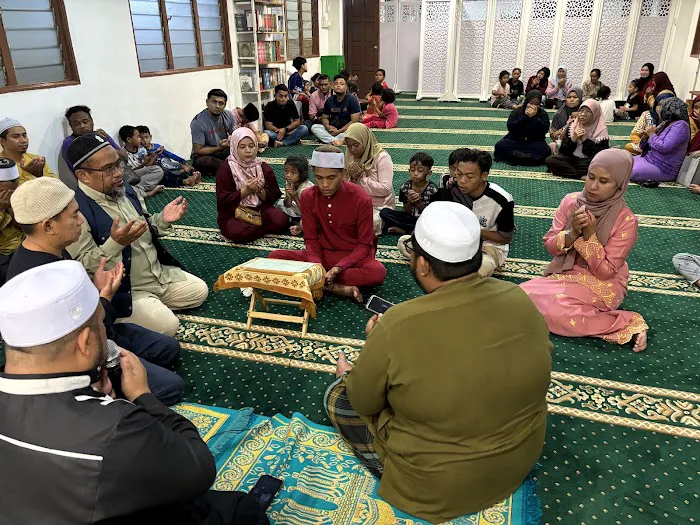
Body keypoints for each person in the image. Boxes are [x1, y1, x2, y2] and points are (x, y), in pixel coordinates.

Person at [325, 202, 552, 523]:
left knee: (338, 395)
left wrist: (362, 363)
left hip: (437, 488)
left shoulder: (397, 324)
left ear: (422, 264)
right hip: (517, 460)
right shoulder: (518, 297)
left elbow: (364, 402)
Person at [0, 261, 266, 525]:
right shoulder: (114, 428)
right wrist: (143, 396)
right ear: (85, 342)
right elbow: (199, 468)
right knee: (240, 510)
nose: (106, 332)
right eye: (102, 324)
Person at [7, 177, 184, 405]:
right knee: (172, 388)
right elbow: (84, 340)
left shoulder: (51, 250)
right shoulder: (40, 277)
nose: (81, 221)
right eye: (74, 216)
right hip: (82, 358)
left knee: (168, 349)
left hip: (99, 331)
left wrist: (98, 292)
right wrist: (104, 296)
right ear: (48, 226)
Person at [66, 133, 209, 337]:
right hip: (127, 290)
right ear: (83, 175)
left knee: (200, 291)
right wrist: (115, 243)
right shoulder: (76, 211)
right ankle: (123, 314)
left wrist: (162, 220)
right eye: (108, 168)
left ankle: (152, 306)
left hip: (158, 276)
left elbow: (145, 227)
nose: (119, 173)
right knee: (168, 326)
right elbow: (82, 266)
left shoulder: (124, 191)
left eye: (118, 164)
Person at [520, 149, 648, 352]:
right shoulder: (571, 201)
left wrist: (589, 236)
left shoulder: (626, 220)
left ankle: (626, 323)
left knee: (561, 313)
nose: (593, 186)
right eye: (591, 177)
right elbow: (551, 246)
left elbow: (606, 271)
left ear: (620, 185)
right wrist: (572, 233)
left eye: (604, 181)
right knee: (519, 298)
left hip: (603, 281)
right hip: (566, 272)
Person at [268, 145, 386, 302]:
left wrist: (338, 268)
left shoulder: (361, 198)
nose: (324, 184)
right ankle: (334, 287)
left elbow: (364, 245)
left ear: (343, 174)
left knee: (377, 272)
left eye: (331, 178)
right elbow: (311, 240)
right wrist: (317, 266)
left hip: (352, 258)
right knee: (274, 258)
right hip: (321, 254)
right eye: (319, 178)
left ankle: (315, 282)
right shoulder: (308, 196)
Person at [430, 148, 515, 277]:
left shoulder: (502, 200)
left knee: (480, 269)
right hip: (458, 240)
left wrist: (473, 231)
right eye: (459, 174)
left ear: (484, 176)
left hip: (488, 245)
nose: (462, 180)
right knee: (406, 244)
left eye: (469, 176)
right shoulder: (452, 186)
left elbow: (505, 237)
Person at [216, 127, 288, 243]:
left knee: (282, 221)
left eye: (251, 146)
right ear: (234, 147)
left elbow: (275, 194)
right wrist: (246, 191)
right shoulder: (226, 168)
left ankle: (256, 227)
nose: (248, 150)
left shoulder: (262, 166)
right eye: (242, 147)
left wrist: (261, 191)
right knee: (240, 233)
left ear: (256, 146)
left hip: (259, 209)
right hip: (234, 212)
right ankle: (259, 228)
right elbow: (223, 201)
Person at [344, 123, 395, 235]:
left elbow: (386, 189)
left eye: (356, 145)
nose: (352, 149)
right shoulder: (350, 157)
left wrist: (361, 178)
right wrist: (352, 180)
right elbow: (344, 185)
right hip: (356, 202)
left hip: (379, 205)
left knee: (369, 224)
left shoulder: (381, 157)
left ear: (365, 140)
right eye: (349, 146)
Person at [631, 97, 690, 186]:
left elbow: (664, 147)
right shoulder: (666, 123)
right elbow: (645, 146)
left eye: (661, 107)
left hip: (664, 168)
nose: (659, 109)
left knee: (630, 171)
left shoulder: (681, 126)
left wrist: (651, 134)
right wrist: (646, 136)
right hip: (650, 159)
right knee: (624, 162)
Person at [546, 99, 610, 180]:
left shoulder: (601, 131)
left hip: (587, 162)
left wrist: (584, 140)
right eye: (581, 110)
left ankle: (570, 172)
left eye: (588, 111)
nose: (583, 114)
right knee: (551, 160)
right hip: (572, 160)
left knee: (600, 164)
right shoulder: (572, 126)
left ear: (595, 114)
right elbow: (563, 152)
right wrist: (573, 139)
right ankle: (580, 176)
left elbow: (599, 155)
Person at [379, 152, 438, 235]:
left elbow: (432, 215)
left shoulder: (433, 190)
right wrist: (410, 202)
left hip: (425, 220)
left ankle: (404, 231)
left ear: (429, 173)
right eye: (412, 170)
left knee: (434, 226)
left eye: (420, 171)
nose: (415, 174)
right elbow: (406, 212)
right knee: (384, 212)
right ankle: (413, 231)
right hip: (410, 219)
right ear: (409, 170)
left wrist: (419, 203)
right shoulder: (405, 187)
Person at [61, 105, 128, 172]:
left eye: (85, 122)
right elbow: (91, 167)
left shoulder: (100, 135)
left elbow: (125, 157)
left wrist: (104, 142)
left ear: (92, 122)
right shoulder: (70, 143)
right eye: (77, 124)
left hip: (120, 172)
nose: (82, 126)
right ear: (71, 126)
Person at [494, 90, 551, 166]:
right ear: (526, 102)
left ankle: (515, 157)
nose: (533, 106)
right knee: (500, 146)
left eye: (536, 104)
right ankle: (527, 159)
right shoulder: (517, 112)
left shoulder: (543, 114)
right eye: (531, 103)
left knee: (545, 150)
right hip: (516, 141)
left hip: (534, 142)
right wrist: (525, 117)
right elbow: (511, 127)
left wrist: (534, 118)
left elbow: (544, 130)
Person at [137, 125, 202, 187]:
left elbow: (169, 154)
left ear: (150, 137)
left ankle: (189, 174)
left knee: (165, 164)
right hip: (159, 168)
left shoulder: (157, 146)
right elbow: (147, 165)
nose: (145, 140)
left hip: (165, 163)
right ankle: (187, 175)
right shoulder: (142, 151)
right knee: (169, 173)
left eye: (146, 137)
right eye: (142, 138)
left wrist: (182, 161)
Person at [190, 88, 235, 177]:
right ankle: (230, 167)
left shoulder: (229, 115)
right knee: (205, 162)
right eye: (214, 102)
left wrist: (234, 138)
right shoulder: (198, 122)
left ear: (225, 105)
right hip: (206, 155)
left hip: (224, 151)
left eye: (221, 103)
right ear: (207, 102)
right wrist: (219, 148)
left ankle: (228, 167)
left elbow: (235, 135)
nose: (217, 106)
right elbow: (198, 151)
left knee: (245, 151)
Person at [0, 117, 58, 184]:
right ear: (2, 141)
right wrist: (30, 175)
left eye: (24, 136)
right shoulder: (2, 165)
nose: (23, 140)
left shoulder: (36, 160)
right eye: (16, 137)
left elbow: (57, 184)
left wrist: (40, 176)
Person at [311, 75, 362, 146]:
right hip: (333, 129)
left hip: (346, 130)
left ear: (346, 87)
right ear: (332, 86)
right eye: (336, 84)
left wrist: (338, 131)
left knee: (356, 129)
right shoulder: (329, 100)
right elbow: (325, 118)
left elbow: (353, 121)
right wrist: (328, 126)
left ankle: (331, 140)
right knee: (315, 127)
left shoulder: (352, 99)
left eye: (341, 84)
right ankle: (335, 140)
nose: (338, 86)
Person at [119, 125, 168, 190]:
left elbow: (148, 166)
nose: (140, 139)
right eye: (138, 137)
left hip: (141, 175)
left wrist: (155, 155)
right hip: (132, 176)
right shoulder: (124, 153)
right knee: (157, 170)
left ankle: (137, 188)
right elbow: (130, 173)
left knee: (158, 170)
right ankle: (139, 189)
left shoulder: (141, 149)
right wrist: (144, 163)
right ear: (129, 139)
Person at [275, 155, 314, 236]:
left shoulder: (306, 189)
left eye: (293, 172)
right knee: (280, 203)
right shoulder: (291, 182)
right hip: (299, 209)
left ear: (302, 174)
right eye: (286, 171)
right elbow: (287, 204)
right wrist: (288, 196)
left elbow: (307, 212)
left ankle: (298, 223)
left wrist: (295, 197)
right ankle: (296, 220)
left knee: (311, 221)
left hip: (310, 212)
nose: (288, 175)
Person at [0, 158, 22, 285]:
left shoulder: (20, 194)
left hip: (23, 247)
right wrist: (1, 209)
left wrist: (12, 209)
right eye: (3, 191)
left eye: (12, 191)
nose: (8, 195)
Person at [549, 87, 582, 154]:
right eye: (569, 97)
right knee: (552, 145)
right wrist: (563, 130)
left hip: (581, 142)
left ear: (580, 98)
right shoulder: (558, 114)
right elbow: (553, 136)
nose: (571, 100)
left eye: (575, 97)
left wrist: (579, 116)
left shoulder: (584, 113)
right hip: (563, 143)